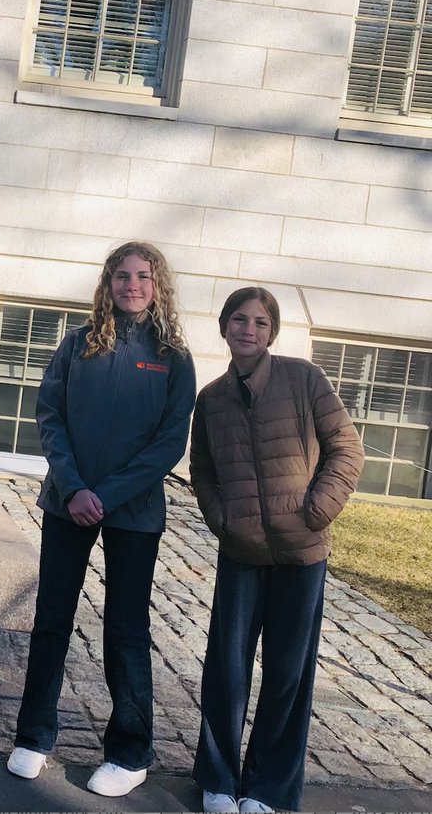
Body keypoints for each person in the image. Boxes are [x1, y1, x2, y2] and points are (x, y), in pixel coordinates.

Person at [7, 241, 197, 797]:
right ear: (107, 284)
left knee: (126, 630)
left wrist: (107, 496)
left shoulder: (173, 358)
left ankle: (130, 751)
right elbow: (50, 417)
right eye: (121, 276)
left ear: (157, 285)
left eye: (142, 276)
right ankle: (34, 737)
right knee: (51, 620)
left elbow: (168, 444)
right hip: (68, 504)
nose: (131, 285)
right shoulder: (77, 344)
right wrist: (74, 488)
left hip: (132, 514)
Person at [190, 287, 363, 814]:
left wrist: (315, 514)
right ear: (224, 327)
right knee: (228, 668)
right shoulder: (212, 398)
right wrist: (224, 521)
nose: (249, 329)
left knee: (289, 673)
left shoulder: (304, 378)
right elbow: (203, 472)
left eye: (261, 322)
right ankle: (218, 780)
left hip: (302, 555)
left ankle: (267, 789)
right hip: (241, 554)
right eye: (239, 319)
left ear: (273, 331)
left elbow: (346, 449)